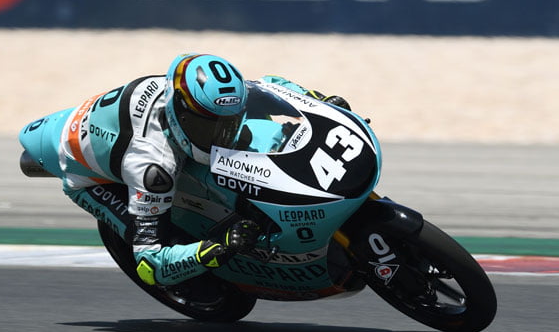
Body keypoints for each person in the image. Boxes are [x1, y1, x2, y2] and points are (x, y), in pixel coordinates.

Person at [54, 53, 349, 287]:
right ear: (179, 113)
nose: (222, 136)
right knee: (148, 224)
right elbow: (148, 264)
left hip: (124, 127)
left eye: (229, 124)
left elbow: (269, 86)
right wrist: (217, 248)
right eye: (209, 127)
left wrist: (317, 101)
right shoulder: (152, 165)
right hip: (89, 176)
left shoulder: (208, 99)